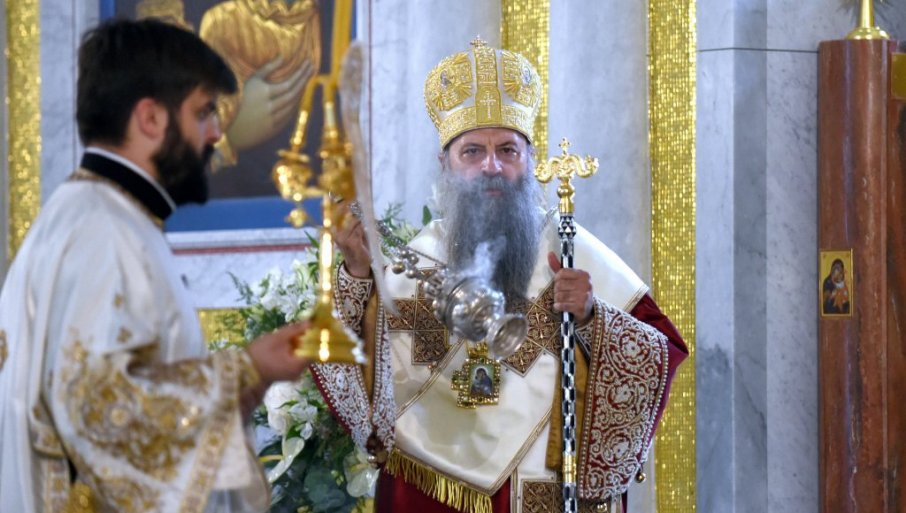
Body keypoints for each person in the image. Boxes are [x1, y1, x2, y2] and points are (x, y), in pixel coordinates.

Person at [317, 39, 689, 513]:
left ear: (529, 161)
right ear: (445, 165)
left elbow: (662, 351)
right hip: (431, 494)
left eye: (507, 150)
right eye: (472, 151)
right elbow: (355, 382)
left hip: (543, 491)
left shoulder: (569, 249)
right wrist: (356, 270)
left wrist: (593, 317)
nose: (491, 166)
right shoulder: (416, 262)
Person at [0, 18, 312, 512]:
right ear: (150, 118)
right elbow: (98, 410)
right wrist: (244, 369)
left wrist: (251, 383)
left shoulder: (103, 216)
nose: (217, 133)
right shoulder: (101, 232)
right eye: (203, 112)